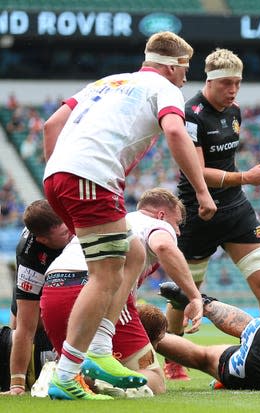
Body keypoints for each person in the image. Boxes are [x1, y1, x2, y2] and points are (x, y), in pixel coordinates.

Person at [41, 31, 216, 400]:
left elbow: (50, 125)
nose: (186, 79)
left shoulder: (105, 82)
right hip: (92, 178)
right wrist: (201, 189)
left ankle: (101, 351)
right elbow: (173, 130)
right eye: (186, 71)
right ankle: (67, 375)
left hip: (58, 177)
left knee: (133, 252)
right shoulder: (165, 87)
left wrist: (60, 168)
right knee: (105, 275)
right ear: (172, 67)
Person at [168, 48, 260, 379]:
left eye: (238, 83)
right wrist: (246, 178)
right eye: (227, 84)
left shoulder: (234, 111)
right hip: (197, 213)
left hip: (235, 210)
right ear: (210, 81)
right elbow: (196, 168)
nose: (233, 90)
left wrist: (240, 183)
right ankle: (174, 356)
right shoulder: (191, 114)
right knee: (182, 295)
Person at [39, 188, 205, 397]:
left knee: (80, 363)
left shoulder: (116, 219)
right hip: (94, 287)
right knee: (153, 377)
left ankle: (58, 372)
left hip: (53, 287)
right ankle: (104, 386)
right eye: (177, 223)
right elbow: (163, 245)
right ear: (162, 215)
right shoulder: (157, 225)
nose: (178, 232)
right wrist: (194, 296)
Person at [2, 200, 72, 396]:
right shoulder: (30, 256)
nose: (70, 235)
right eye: (64, 234)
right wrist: (16, 385)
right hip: (38, 287)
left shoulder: (73, 222)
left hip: (72, 283)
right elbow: (25, 329)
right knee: (19, 332)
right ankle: (17, 381)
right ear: (43, 240)